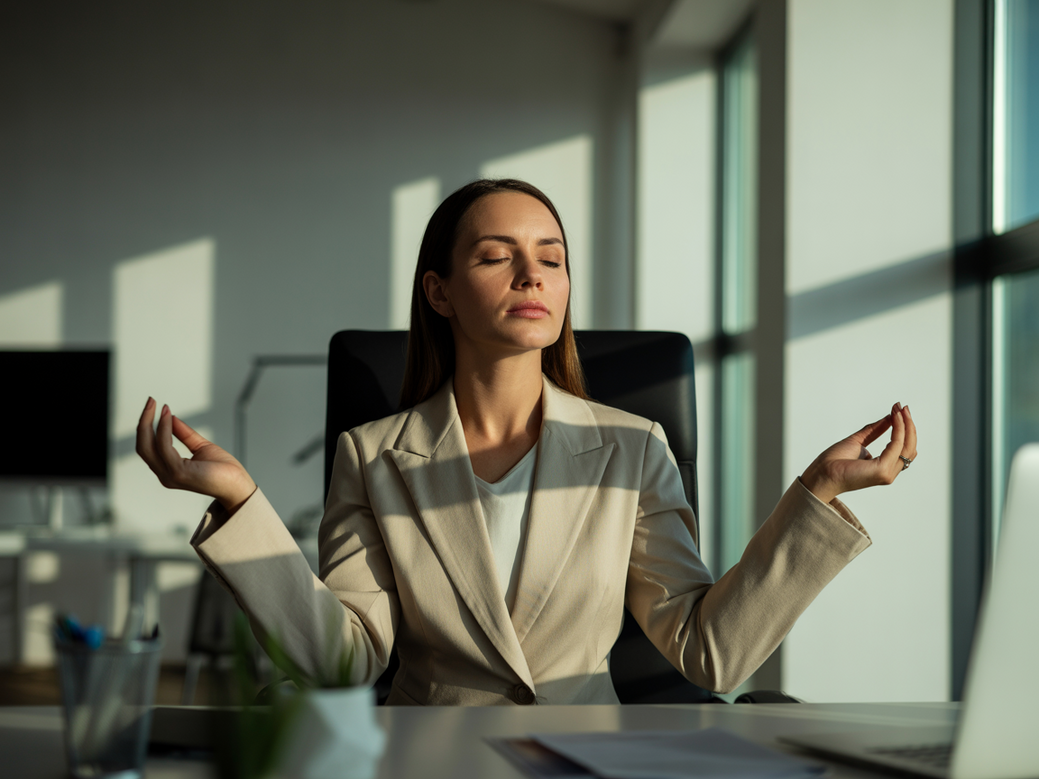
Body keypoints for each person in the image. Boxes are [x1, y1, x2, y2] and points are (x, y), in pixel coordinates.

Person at [136, 179, 918, 706]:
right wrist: (239, 502)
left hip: (581, 761)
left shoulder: (632, 448)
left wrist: (815, 494)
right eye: (494, 256)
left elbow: (709, 651)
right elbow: (345, 661)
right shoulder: (372, 457)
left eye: (551, 258)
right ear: (438, 291)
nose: (530, 276)